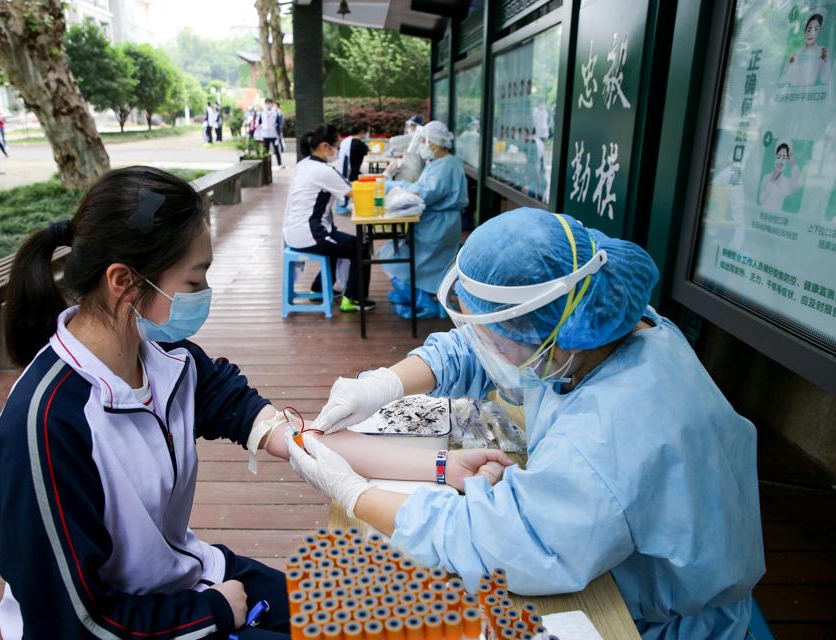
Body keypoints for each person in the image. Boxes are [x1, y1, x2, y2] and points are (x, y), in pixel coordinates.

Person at [0, 165, 510, 638]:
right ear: (124, 282)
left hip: (187, 577)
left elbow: (299, 439)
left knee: (357, 618)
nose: (205, 292)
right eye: (194, 278)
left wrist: (443, 467)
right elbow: (71, 622)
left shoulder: (171, 363)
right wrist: (211, 611)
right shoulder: (48, 428)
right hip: (130, 623)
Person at [286, 208, 765, 639]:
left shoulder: (605, 438)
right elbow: (479, 346)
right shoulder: (596, 329)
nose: (481, 345)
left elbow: (499, 545)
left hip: (662, 621)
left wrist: (354, 494)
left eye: (493, 335)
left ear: (549, 335)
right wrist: (385, 385)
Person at [379, 120, 468, 320]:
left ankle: (424, 301)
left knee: (395, 258)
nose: (422, 146)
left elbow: (426, 192)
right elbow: (422, 186)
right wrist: (398, 185)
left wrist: (394, 187)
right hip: (438, 222)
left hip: (437, 226)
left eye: (424, 141)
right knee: (430, 267)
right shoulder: (440, 163)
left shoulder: (445, 166)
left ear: (435, 143)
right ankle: (426, 298)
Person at [282, 125, 375, 312]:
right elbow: (354, 193)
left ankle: (320, 288)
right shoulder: (324, 171)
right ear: (325, 146)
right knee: (360, 246)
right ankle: (353, 299)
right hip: (310, 233)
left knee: (338, 242)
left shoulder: (304, 164)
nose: (338, 151)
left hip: (293, 231)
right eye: (337, 146)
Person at [781, 12, 830, 86]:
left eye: (816, 29)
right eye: (809, 29)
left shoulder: (823, 51)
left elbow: (825, 78)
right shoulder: (794, 54)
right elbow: (783, 79)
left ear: (819, 32)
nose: (811, 33)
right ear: (804, 31)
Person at [334, 123, 370, 214]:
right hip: (352, 171)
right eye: (366, 133)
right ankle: (350, 206)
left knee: (345, 187)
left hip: (344, 169)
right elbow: (367, 151)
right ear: (362, 132)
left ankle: (343, 206)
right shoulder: (360, 144)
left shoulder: (346, 140)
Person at [759, 142, 803, 211]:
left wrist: (794, 164)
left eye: (784, 157)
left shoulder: (786, 182)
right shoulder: (766, 177)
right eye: (779, 156)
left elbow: (795, 186)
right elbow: (761, 200)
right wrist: (771, 181)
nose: (781, 160)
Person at [259, 98, 284, 169]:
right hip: (265, 135)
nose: (268, 104)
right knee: (265, 151)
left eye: (270, 102)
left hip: (274, 134)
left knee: (276, 150)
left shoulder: (276, 112)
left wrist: (279, 134)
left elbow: (279, 123)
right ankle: (265, 165)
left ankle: (280, 163)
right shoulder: (262, 112)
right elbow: (260, 123)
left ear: (272, 103)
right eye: (267, 103)